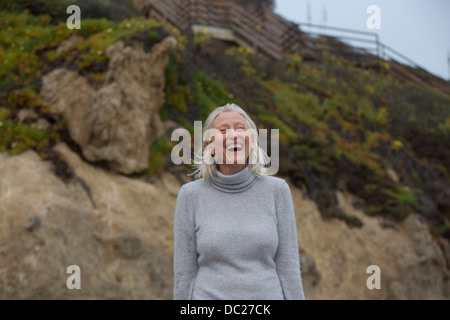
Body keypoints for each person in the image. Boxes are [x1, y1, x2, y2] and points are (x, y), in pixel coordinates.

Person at [173, 103, 305, 300]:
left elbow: (288, 269)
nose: (233, 135)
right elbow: (184, 275)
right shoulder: (190, 196)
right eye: (223, 130)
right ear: (209, 144)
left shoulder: (278, 191)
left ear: (252, 139)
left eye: (240, 128)